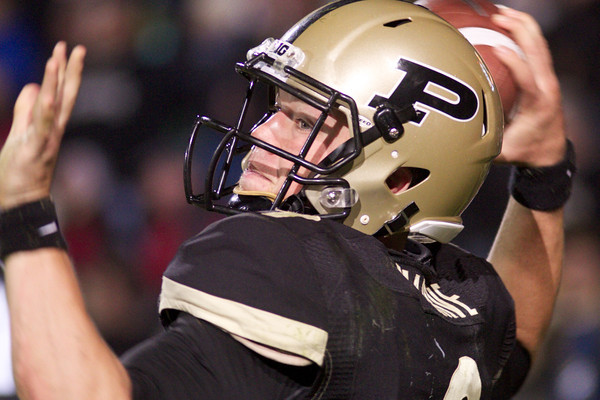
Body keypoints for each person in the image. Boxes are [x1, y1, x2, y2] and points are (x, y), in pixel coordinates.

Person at [0, 1, 573, 399]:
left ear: (399, 176)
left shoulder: (286, 262)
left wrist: (23, 212)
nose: (261, 133)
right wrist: (546, 178)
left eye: (303, 122)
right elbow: (514, 351)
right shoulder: (457, 296)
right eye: (277, 108)